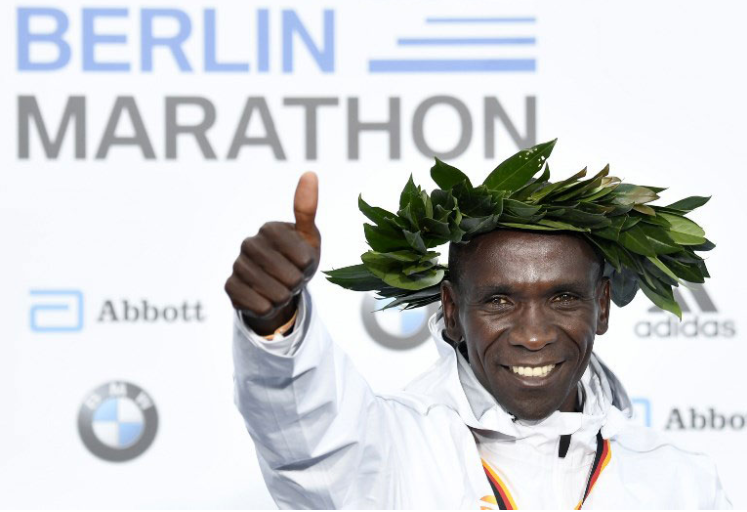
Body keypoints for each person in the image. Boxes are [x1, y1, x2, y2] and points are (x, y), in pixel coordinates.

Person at [225, 162, 731, 509]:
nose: (533, 336)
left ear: (600, 306)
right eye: (499, 300)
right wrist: (276, 320)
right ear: (451, 310)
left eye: (562, 298)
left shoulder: (679, 484)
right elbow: (308, 439)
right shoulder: (392, 450)